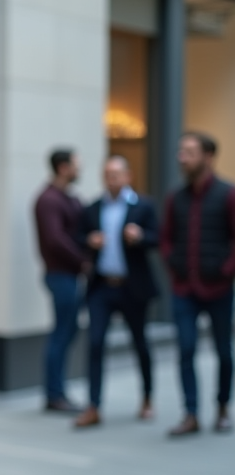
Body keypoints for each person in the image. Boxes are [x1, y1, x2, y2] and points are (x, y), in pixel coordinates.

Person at [73, 156, 159, 428]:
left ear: (127, 176)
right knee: (96, 343)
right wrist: (89, 240)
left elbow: (159, 238)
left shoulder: (143, 205)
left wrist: (141, 237)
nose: (111, 179)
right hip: (101, 287)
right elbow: (78, 237)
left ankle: (147, 397)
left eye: (116, 174)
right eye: (107, 174)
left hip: (132, 287)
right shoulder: (93, 207)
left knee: (139, 343)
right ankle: (93, 405)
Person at [160, 131, 235, 437]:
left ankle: (221, 408)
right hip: (184, 289)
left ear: (208, 156)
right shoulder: (175, 198)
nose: (183, 158)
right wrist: (173, 265)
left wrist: (226, 270)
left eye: (190, 152)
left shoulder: (228, 195)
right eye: (181, 152)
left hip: (218, 288)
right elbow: (166, 239)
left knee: (223, 350)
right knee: (186, 349)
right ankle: (190, 413)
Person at [34, 148, 88, 412]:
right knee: (61, 333)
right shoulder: (49, 200)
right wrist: (83, 260)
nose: (80, 169)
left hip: (70, 275)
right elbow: (55, 240)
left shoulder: (70, 198)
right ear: (63, 167)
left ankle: (57, 392)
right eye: (77, 165)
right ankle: (54, 395)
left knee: (68, 331)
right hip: (60, 275)